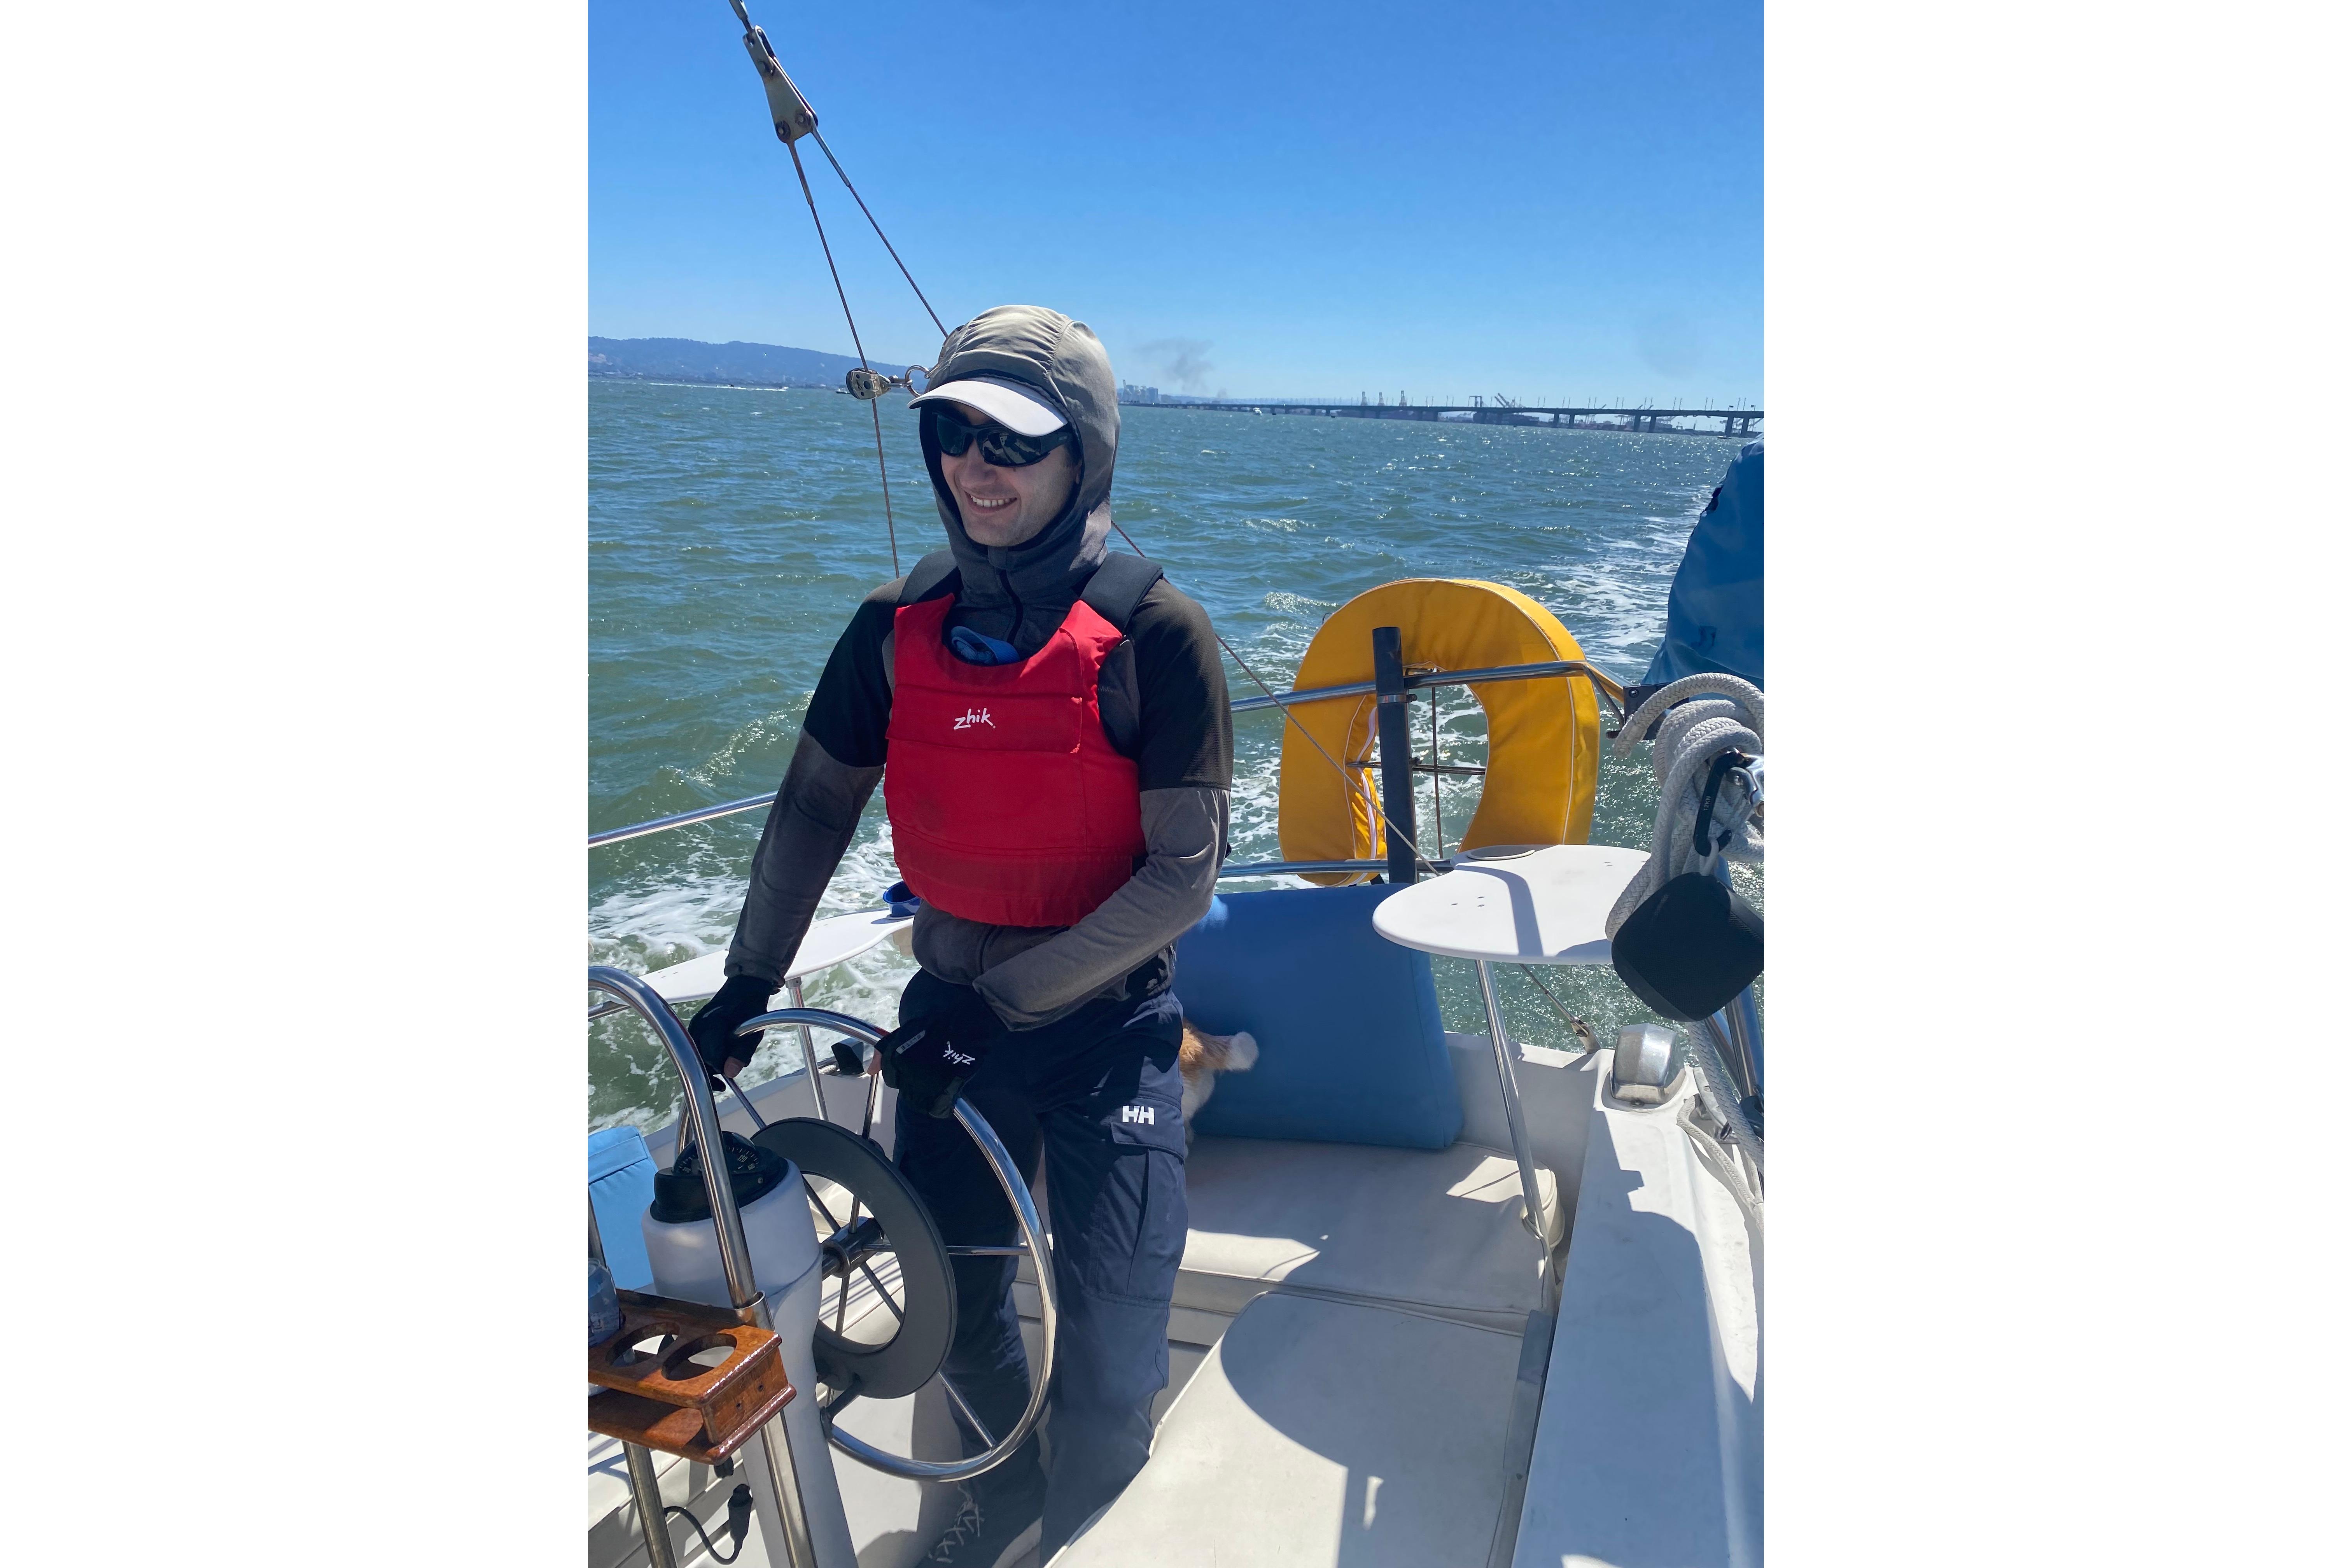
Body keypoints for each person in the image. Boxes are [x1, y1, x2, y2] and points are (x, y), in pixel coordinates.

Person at [688, 304, 1232, 1566]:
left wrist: (1005, 1006)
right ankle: (1005, 1494)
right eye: (952, 431)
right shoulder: (891, 628)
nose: (975, 465)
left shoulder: (1159, 638)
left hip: (1109, 1034)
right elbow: (816, 804)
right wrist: (744, 984)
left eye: (1013, 440)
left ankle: (1095, 1523)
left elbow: (1180, 883)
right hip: (948, 1027)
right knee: (952, 1306)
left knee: (1112, 1342)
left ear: (1083, 457)